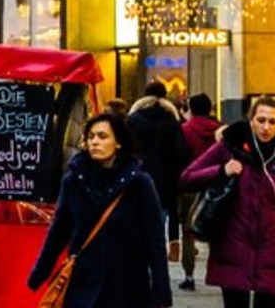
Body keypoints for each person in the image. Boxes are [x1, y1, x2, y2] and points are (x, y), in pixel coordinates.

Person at [180, 95, 275, 308]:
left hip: (273, 250)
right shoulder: (230, 145)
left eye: (272, 122)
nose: (266, 127)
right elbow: (188, 177)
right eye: (261, 120)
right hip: (233, 246)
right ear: (251, 120)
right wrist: (221, 170)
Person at [27, 111, 172, 308]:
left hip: (127, 285)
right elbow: (59, 231)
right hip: (83, 281)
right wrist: (40, 272)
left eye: (102, 136)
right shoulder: (73, 181)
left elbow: (154, 240)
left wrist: (161, 289)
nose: (95, 142)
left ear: (118, 142)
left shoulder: (139, 183)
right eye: (91, 137)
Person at [124, 82, 186, 255]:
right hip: (166, 181)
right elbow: (180, 152)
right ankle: (156, 257)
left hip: (137, 178)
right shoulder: (172, 120)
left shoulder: (133, 119)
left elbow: (125, 150)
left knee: (138, 223)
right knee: (158, 222)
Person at [179, 92, 222, 292]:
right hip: (216, 184)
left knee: (187, 232)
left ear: (191, 108)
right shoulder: (220, 130)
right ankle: (220, 271)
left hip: (190, 185)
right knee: (218, 231)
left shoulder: (184, 130)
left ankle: (189, 275)